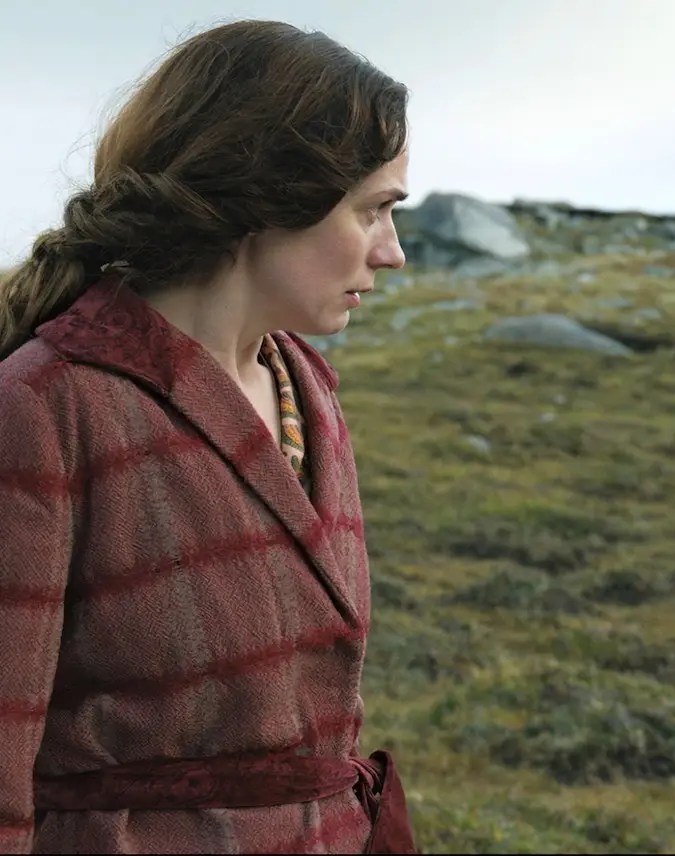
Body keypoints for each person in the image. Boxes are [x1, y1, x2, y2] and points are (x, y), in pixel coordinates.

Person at [0, 19, 415, 854]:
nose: (393, 252)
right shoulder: (46, 408)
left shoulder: (306, 388)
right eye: (373, 210)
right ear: (272, 193)